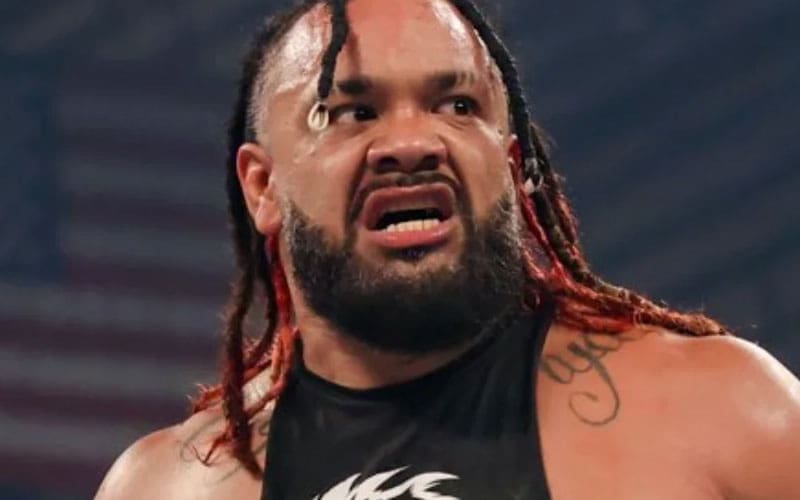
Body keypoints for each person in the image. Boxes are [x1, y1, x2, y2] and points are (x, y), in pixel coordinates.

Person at [95, 0, 800, 498]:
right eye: (353, 112)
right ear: (262, 187)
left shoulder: (722, 413)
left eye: (458, 106)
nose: (411, 142)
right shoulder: (173, 487)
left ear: (513, 165)